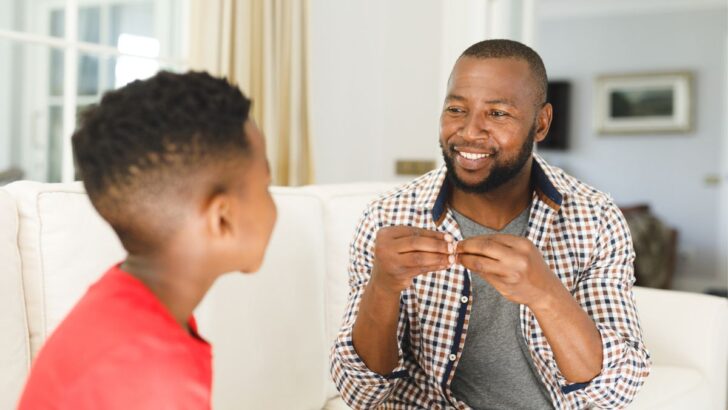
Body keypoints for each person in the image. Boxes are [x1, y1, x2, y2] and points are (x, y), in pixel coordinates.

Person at [330, 39, 650, 409]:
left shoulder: (594, 217)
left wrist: (546, 294)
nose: (469, 131)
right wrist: (383, 286)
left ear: (541, 123)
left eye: (497, 114)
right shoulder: (388, 217)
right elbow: (360, 392)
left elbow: (617, 390)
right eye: (456, 109)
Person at [18, 71, 277, 409]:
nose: (273, 203)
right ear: (222, 218)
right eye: (266, 187)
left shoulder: (129, 304)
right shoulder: (152, 371)